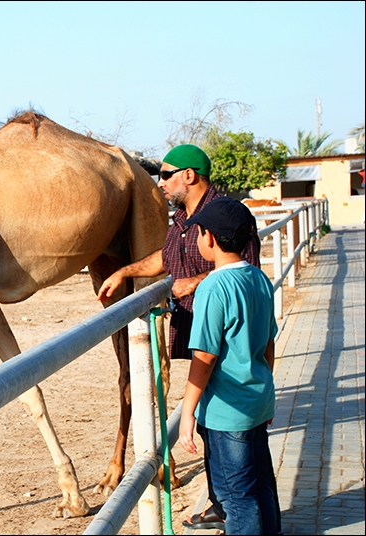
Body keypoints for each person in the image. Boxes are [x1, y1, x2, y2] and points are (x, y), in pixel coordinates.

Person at [97, 143, 261, 530]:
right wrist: (124, 272)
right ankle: (223, 504)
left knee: (232, 440)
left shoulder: (225, 216)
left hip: (224, 339)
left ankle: (238, 513)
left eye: (166, 175)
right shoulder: (183, 219)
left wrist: (194, 282)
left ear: (189, 175)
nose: (161, 183)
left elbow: (245, 269)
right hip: (202, 334)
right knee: (214, 427)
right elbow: (166, 258)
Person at [177, 196, 280, 535]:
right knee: (262, 484)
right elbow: (268, 344)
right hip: (257, 401)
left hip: (226, 412)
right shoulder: (259, 278)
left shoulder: (212, 287)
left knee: (236, 497)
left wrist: (188, 413)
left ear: (208, 237)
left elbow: (205, 357)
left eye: (198, 232)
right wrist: (264, 390)